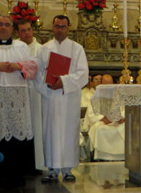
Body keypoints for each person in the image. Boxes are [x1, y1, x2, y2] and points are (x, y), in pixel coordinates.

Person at [0, 15, 38, 185]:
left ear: (12, 29)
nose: (3, 27)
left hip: (17, 99)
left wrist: (19, 66)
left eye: (7, 25)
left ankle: (17, 172)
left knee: (17, 130)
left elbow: (33, 68)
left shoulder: (22, 46)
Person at [35, 15, 89, 182]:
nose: (60, 29)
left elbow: (83, 74)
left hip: (68, 97)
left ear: (68, 28)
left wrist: (63, 82)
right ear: (53, 27)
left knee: (68, 131)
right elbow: (38, 74)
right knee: (50, 131)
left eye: (63, 26)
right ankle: (51, 168)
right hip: (50, 96)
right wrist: (50, 83)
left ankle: (67, 169)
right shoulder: (43, 49)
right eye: (57, 26)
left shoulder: (77, 49)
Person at [17, 19, 45, 172]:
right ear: (18, 33)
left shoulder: (41, 49)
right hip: (19, 91)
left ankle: (37, 163)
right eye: (23, 30)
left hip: (36, 92)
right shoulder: (14, 48)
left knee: (36, 125)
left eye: (28, 29)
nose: (26, 33)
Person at [86, 74, 125, 160]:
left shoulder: (118, 95)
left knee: (126, 128)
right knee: (100, 130)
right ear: (101, 84)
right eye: (105, 84)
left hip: (116, 121)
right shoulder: (95, 96)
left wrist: (121, 118)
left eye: (110, 84)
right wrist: (103, 118)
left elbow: (123, 109)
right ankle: (102, 156)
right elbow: (91, 114)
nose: (108, 87)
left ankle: (122, 156)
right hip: (101, 121)